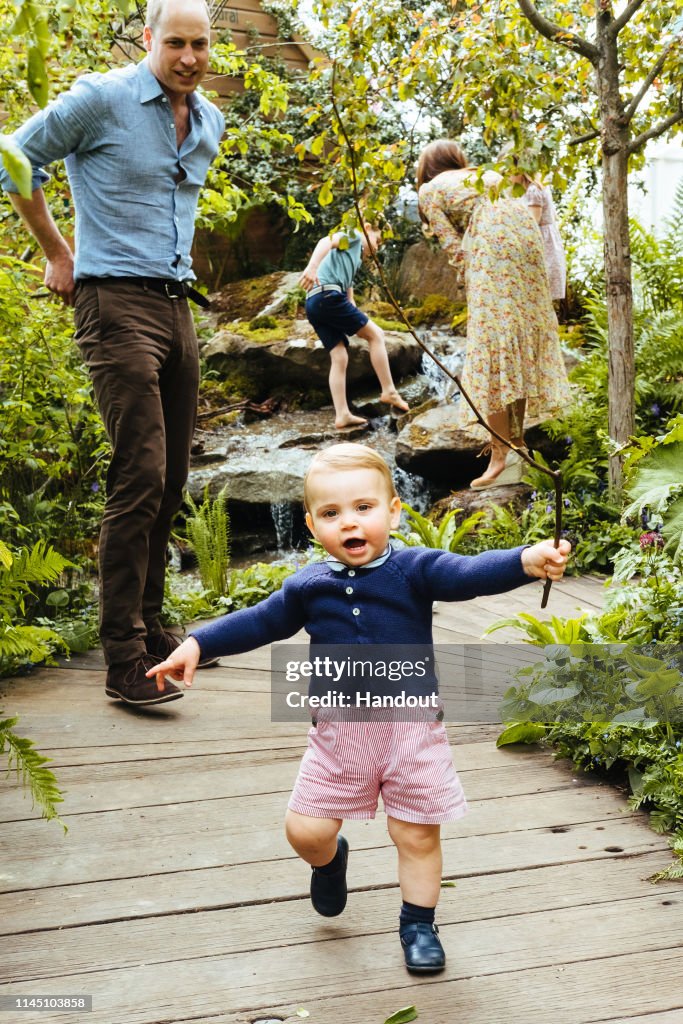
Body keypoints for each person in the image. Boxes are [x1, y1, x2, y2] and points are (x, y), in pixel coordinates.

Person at [147, 442, 571, 973]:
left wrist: (524, 560)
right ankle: (330, 863)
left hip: (413, 734)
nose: (350, 522)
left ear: (393, 510)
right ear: (311, 524)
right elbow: (260, 620)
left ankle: (418, 922)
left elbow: (467, 574)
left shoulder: (416, 569)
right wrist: (198, 643)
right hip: (338, 738)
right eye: (332, 513)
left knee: (414, 833)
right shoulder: (308, 586)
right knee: (306, 832)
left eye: (364, 508)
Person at [0, 0, 225, 707]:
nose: (189, 57)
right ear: (148, 38)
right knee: (141, 471)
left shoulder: (210, 122)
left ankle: (152, 626)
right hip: (112, 302)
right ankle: (123, 658)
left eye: (200, 44)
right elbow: (14, 157)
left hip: (175, 305)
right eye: (175, 43)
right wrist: (57, 251)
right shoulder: (101, 99)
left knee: (173, 476)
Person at [416, 140, 571, 490]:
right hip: (525, 240)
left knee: (493, 353)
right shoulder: (483, 175)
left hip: (492, 246)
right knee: (513, 346)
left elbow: (452, 245)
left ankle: (500, 458)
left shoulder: (429, 189)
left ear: (427, 167)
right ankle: (517, 447)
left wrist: (470, 277)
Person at [299, 224, 409, 430]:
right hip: (328, 295)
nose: (377, 247)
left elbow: (346, 283)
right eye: (378, 240)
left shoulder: (354, 255)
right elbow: (326, 241)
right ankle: (389, 390)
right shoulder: (354, 236)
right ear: (367, 228)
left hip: (315, 303)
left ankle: (342, 414)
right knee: (376, 335)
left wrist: (351, 303)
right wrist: (312, 267)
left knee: (339, 356)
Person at [514, 172, 567, 301]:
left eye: (508, 172)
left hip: (541, 243)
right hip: (548, 240)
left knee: (538, 295)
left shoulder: (533, 190)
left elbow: (532, 224)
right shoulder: (538, 186)